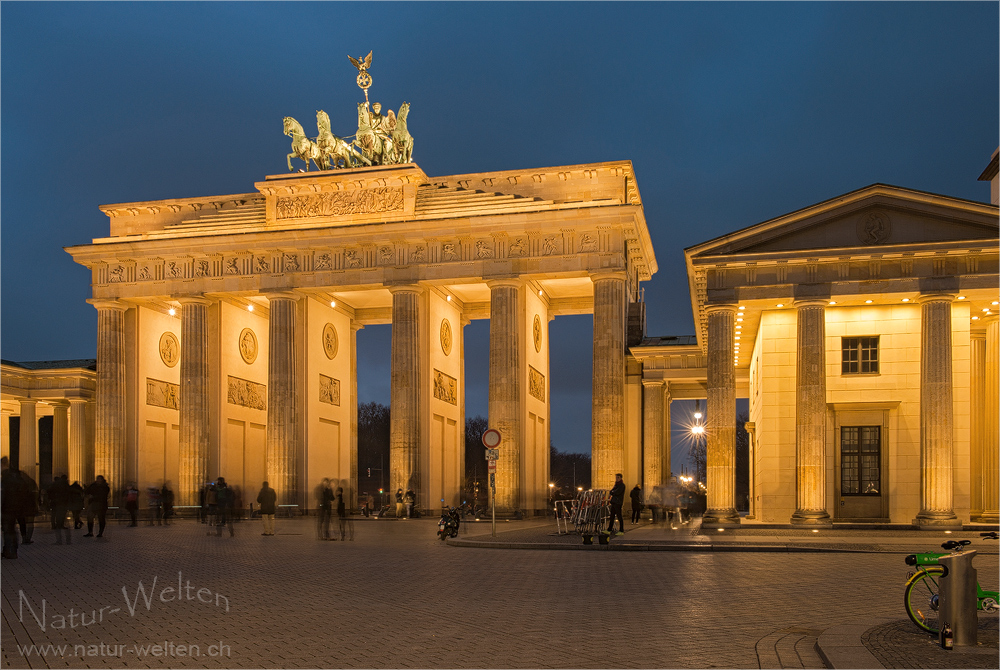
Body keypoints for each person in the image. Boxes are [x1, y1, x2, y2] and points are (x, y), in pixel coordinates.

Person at [1, 457, 24, 558]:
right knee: (11, 530)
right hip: (15, 508)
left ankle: (8, 551)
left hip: (7, 509)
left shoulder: (5, 479)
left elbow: (3, 495)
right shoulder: (16, 479)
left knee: (7, 530)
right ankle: (12, 550)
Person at [48, 475, 71, 544]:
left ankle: (59, 539)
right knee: (64, 520)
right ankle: (68, 540)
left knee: (56, 518)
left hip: (57, 504)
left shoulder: (55, 485)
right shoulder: (66, 485)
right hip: (63, 504)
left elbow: (49, 492)